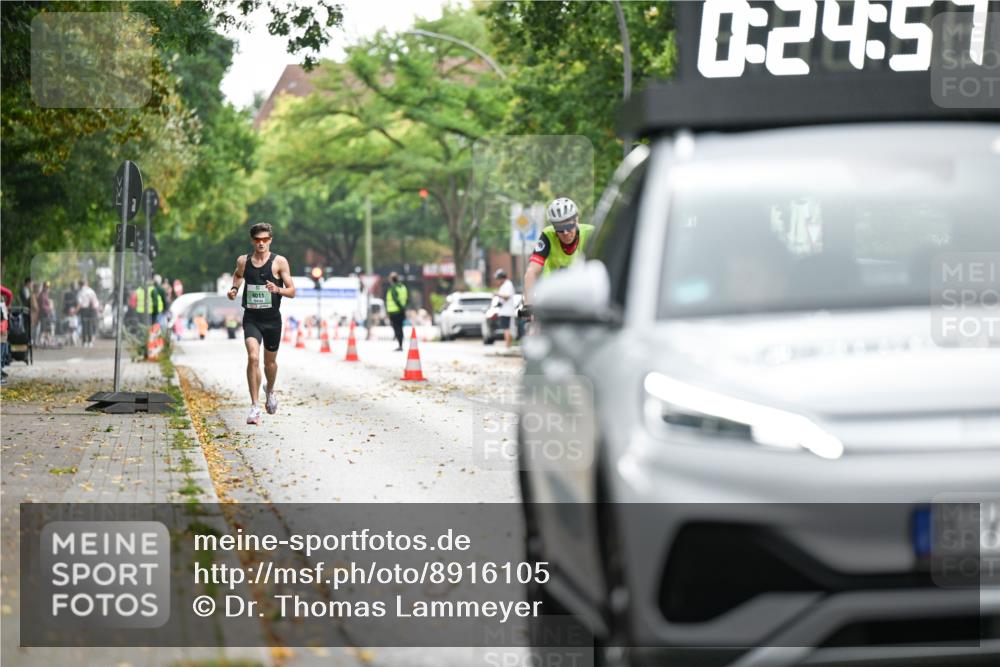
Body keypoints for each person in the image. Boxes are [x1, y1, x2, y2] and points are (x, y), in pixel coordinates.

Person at [227, 222, 295, 425]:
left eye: (265, 239)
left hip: (272, 320)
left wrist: (277, 289)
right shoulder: (243, 261)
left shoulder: (279, 262)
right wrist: (234, 289)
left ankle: (270, 390)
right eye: (258, 240)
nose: (261, 243)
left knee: (269, 364)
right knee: (253, 357)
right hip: (252, 318)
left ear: (270, 240)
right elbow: (238, 276)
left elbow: (292, 290)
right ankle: (255, 406)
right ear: (252, 241)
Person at [519, 197, 595, 319]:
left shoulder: (591, 233)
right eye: (560, 229)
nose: (565, 233)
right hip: (553, 294)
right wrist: (528, 305)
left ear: (577, 220)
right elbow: (532, 271)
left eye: (569, 226)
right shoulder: (547, 235)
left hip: (581, 294)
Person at [493, 268, 516, 349]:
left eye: (498, 279)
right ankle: (508, 346)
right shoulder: (504, 285)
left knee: (506, 329)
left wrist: (497, 294)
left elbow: (507, 296)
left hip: (507, 311)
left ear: (502, 278)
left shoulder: (508, 284)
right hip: (504, 310)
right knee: (507, 329)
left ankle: (507, 346)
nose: (497, 281)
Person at [385, 272, 408, 351]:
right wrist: (403, 309)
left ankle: (400, 344)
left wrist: (400, 308)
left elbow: (396, 300)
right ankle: (400, 344)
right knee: (400, 328)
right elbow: (406, 299)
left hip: (394, 312)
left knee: (397, 328)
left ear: (391, 279)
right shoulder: (403, 287)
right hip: (401, 311)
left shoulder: (393, 288)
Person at [76, 278, 100, 348]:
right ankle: (90, 341)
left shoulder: (80, 292)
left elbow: (80, 303)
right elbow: (95, 302)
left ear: (80, 285)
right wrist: (96, 310)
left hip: (84, 310)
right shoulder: (91, 291)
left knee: (84, 326)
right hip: (92, 310)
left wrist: (76, 311)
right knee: (90, 325)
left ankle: (84, 342)